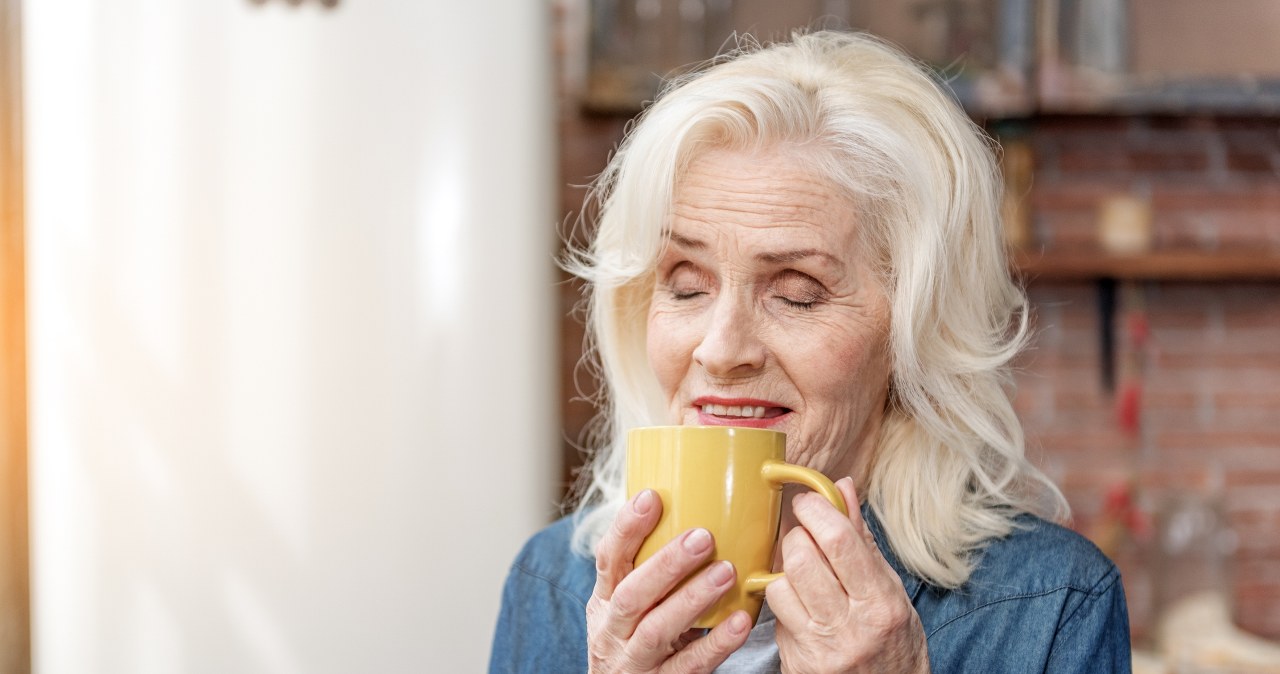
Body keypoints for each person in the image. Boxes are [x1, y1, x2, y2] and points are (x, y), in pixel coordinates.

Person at [490, 31, 1131, 673]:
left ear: (910, 336)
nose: (720, 349)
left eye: (797, 294)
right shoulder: (552, 586)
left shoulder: (1052, 606)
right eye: (686, 285)